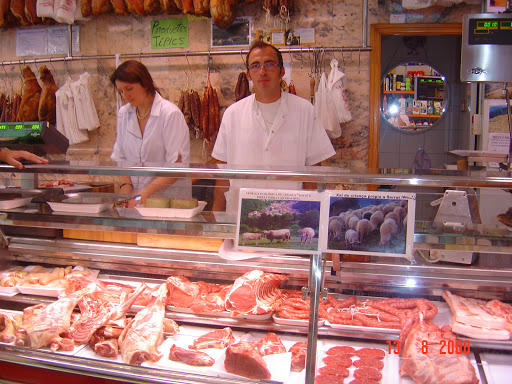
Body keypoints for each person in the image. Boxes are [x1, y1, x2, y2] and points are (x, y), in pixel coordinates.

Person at [211, 40, 335, 212]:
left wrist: (307, 210)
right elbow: (223, 173)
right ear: (248, 74)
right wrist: (216, 218)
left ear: (281, 71)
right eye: (255, 66)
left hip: (289, 210)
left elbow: (313, 170)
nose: (262, 71)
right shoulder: (233, 114)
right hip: (241, 212)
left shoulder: (305, 110)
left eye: (269, 64)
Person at [110, 60, 191, 208]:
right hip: (135, 203)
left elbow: (176, 167)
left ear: (145, 84)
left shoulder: (169, 114)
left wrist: (144, 194)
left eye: (129, 89)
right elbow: (121, 157)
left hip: (169, 204)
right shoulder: (124, 114)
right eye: (121, 91)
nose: (125, 96)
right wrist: (126, 188)